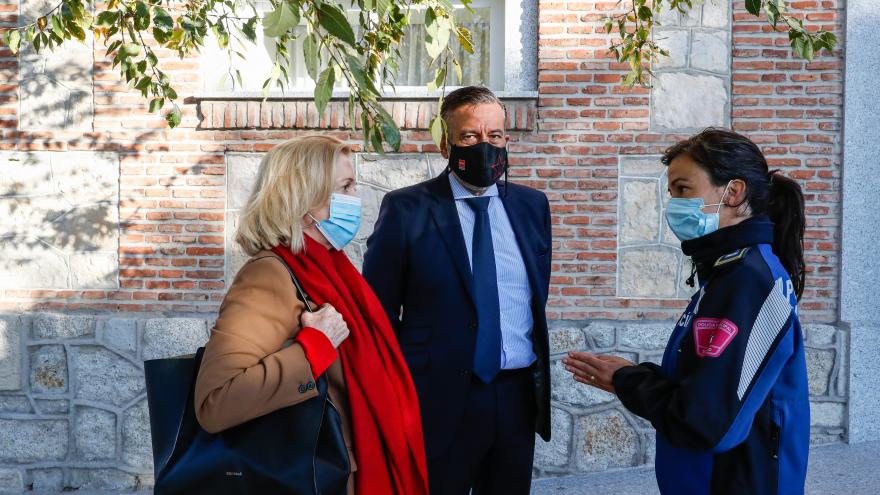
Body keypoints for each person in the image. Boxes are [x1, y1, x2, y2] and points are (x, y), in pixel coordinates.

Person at [565, 128, 810, 495]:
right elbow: (705, 384)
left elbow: (706, 422)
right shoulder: (728, 270)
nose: (674, 205)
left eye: (683, 189)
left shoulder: (748, 280)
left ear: (734, 192)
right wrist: (633, 374)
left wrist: (628, 380)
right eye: (672, 193)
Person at [193, 135, 428, 495]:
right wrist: (313, 348)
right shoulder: (268, 276)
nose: (356, 199)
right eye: (346, 187)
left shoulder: (334, 269)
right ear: (304, 201)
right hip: (315, 477)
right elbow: (216, 403)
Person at [362, 86, 552, 495]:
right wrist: (405, 387)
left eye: (495, 136)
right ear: (446, 143)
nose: (486, 146)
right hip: (439, 400)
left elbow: (532, 302)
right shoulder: (406, 209)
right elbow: (377, 313)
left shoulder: (532, 206)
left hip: (516, 398)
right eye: (470, 137)